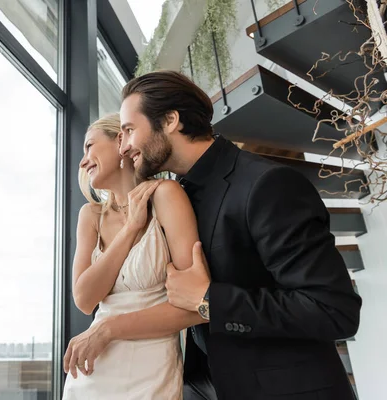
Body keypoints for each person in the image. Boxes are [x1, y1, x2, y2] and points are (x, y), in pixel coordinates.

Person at [115, 70, 362, 400]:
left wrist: (208, 299)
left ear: (171, 120)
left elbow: (333, 310)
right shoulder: (172, 199)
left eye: (130, 130)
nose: (125, 146)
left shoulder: (266, 184)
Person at [61, 113, 207, 399]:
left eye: (89, 146)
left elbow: (195, 306)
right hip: (92, 376)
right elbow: (85, 300)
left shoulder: (166, 195)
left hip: (150, 374)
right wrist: (131, 228)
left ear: (119, 141)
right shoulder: (90, 216)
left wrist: (108, 329)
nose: (82, 161)